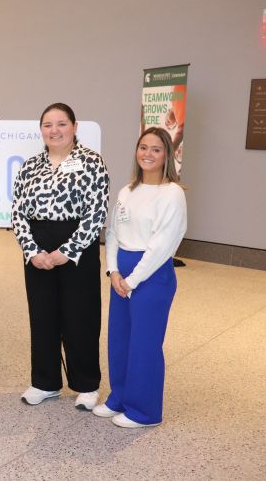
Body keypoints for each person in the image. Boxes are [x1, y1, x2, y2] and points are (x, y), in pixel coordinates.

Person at [11, 103, 109, 411]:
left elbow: (96, 212)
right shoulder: (29, 166)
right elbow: (18, 212)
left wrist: (67, 252)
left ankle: (87, 384)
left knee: (81, 316)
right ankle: (45, 382)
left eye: (61, 124)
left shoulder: (92, 162)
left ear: (75, 126)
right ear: (41, 130)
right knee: (42, 316)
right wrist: (31, 250)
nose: (55, 130)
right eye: (48, 125)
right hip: (38, 250)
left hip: (77, 249)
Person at [92, 127, 187, 428]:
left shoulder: (172, 194)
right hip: (121, 272)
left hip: (151, 275)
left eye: (156, 149)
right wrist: (113, 270)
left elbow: (162, 246)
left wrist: (132, 281)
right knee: (120, 340)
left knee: (144, 343)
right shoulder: (127, 191)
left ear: (167, 155)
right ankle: (119, 396)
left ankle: (144, 411)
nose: (148, 154)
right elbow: (113, 233)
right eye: (143, 147)